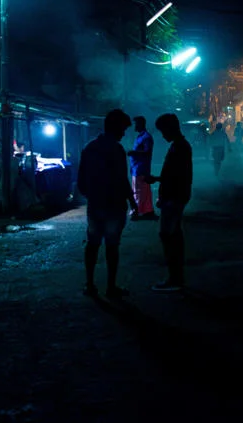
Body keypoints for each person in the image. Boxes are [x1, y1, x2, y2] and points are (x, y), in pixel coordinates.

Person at [77, 109, 137, 299]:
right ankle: (111, 287)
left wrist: (93, 195)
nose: (124, 133)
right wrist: (131, 201)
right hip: (114, 205)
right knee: (112, 246)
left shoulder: (90, 148)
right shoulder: (116, 149)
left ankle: (90, 284)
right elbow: (122, 178)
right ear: (116, 127)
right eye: (123, 129)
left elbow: (80, 181)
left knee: (93, 244)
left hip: (96, 205)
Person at [144, 113, 193, 291]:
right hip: (175, 196)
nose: (162, 135)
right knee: (173, 235)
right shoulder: (180, 146)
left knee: (169, 235)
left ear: (170, 128)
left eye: (163, 131)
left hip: (174, 197)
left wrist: (160, 184)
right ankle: (176, 277)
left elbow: (176, 176)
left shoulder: (179, 147)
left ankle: (175, 278)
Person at [127, 116, 157, 221]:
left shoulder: (146, 137)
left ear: (141, 124)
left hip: (141, 169)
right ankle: (147, 210)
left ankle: (137, 211)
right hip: (137, 168)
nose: (134, 126)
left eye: (136, 123)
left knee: (138, 191)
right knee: (144, 191)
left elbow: (148, 152)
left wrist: (133, 153)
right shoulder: (141, 137)